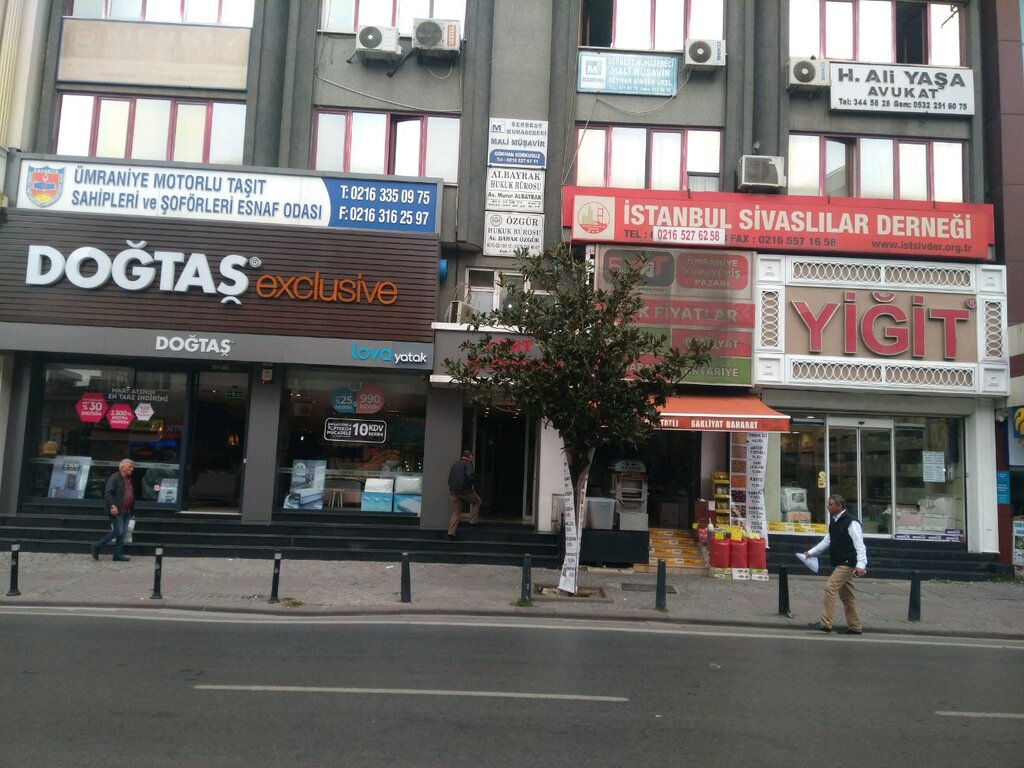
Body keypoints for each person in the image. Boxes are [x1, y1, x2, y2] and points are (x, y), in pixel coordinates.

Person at [803, 494, 867, 634]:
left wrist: (861, 564)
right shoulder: (834, 521)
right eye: (828, 504)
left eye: (830, 504)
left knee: (830, 587)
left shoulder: (851, 522)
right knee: (847, 596)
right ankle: (855, 627)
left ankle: (825, 623)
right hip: (840, 561)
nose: (828, 506)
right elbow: (827, 540)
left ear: (840, 506)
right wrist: (811, 553)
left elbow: (860, 544)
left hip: (848, 562)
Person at [91, 458, 135, 562]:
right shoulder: (114, 478)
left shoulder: (128, 479)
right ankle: (97, 545)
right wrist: (112, 506)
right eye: (130, 467)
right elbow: (108, 493)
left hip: (126, 510)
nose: (132, 469)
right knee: (118, 531)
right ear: (122, 467)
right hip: (116, 510)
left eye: (132, 467)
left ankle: (117, 555)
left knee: (122, 533)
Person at [447, 449, 481, 540]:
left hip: (453, 492)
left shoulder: (455, 464)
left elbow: (449, 479)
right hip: (465, 491)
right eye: (472, 456)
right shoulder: (469, 464)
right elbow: (469, 476)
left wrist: (452, 489)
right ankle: (473, 521)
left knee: (456, 512)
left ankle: (451, 533)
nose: (472, 457)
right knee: (477, 501)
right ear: (469, 456)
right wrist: (469, 489)